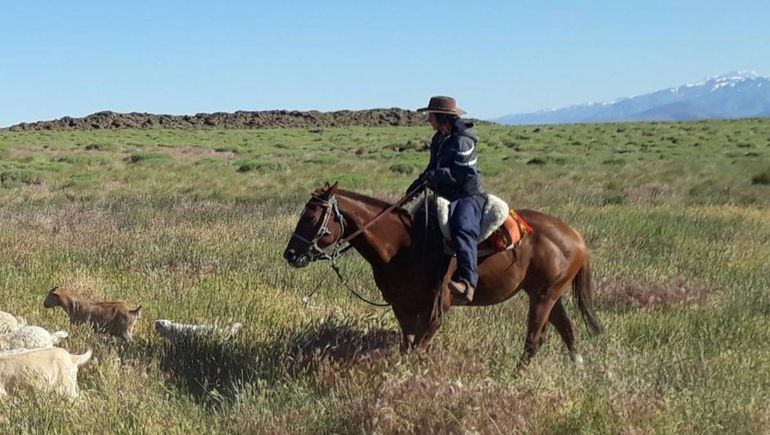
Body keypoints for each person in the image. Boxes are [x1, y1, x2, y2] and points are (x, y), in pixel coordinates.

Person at [407, 96, 485, 304]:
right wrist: (416, 185)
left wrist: (436, 176)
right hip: (446, 194)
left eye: (430, 116)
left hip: (467, 195)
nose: (428, 120)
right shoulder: (439, 139)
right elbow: (431, 169)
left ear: (441, 117)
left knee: (462, 227)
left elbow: (464, 174)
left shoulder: (463, 140)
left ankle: (468, 283)